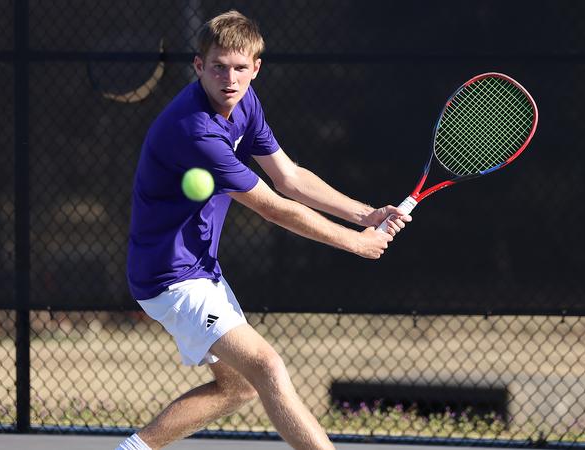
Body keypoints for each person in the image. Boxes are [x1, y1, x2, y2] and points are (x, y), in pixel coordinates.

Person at [116, 10, 411, 450]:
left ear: (256, 68)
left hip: (199, 269)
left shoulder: (245, 103)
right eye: (218, 67)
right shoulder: (196, 130)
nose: (229, 79)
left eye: (239, 68)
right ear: (199, 66)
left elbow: (289, 177)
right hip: (170, 277)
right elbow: (273, 207)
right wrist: (355, 243)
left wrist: (364, 215)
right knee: (268, 367)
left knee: (239, 387)